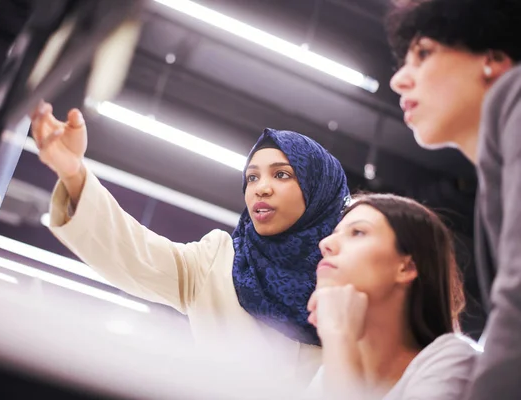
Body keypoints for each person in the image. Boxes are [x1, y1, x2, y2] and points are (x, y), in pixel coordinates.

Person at [30, 101, 350, 381]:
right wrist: (74, 174)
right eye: (252, 177)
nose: (260, 188)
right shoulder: (220, 261)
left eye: (281, 174)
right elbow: (135, 256)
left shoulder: (353, 280)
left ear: (319, 190)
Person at [386, 0, 521, 398]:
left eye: (423, 53)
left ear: (493, 59)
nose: (398, 80)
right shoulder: (493, 187)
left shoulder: (514, 95)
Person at [306, 193, 479, 400]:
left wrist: (338, 336)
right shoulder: (327, 374)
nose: (325, 243)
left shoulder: (455, 362)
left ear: (407, 267)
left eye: (358, 232)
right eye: (335, 232)